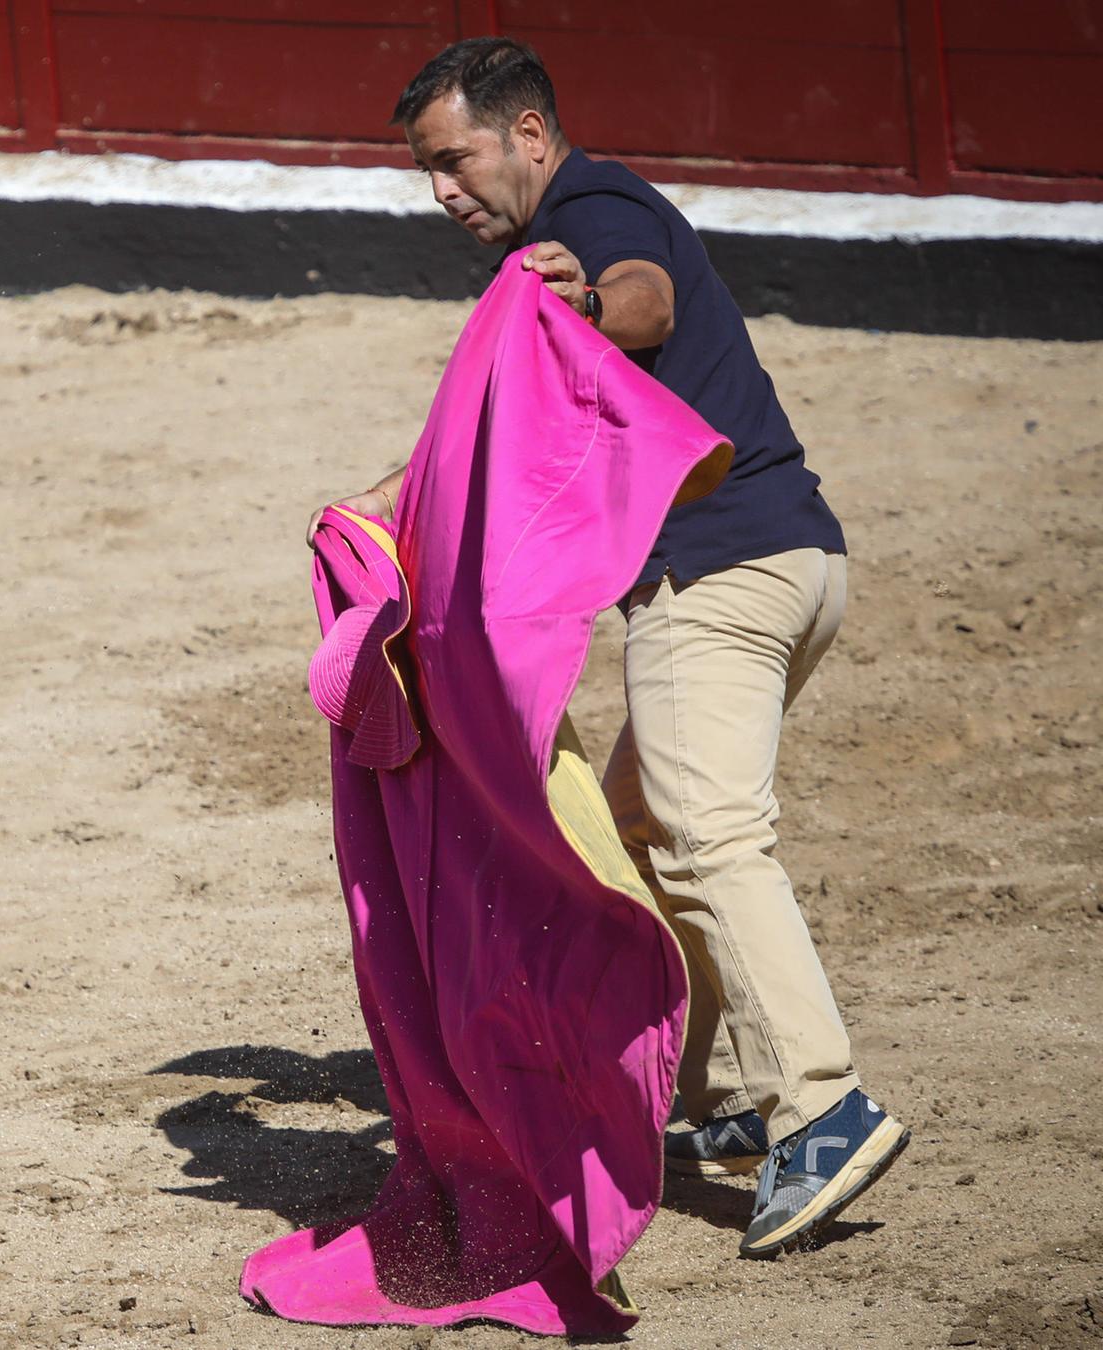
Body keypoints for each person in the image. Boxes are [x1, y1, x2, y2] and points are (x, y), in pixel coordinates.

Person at [330, 36, 907, 1259]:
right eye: (427, 171)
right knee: (644, 831)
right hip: (791, 563)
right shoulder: (561, 243)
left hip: (718, 575)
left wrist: (588, 302)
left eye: (455, 159)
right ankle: (710, 1106)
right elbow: (485, 449)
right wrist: (382, 506)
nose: (442, 190)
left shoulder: (589, 208)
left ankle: (822, 1104)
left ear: (529, 134)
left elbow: (640, 298)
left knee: (706, 834)